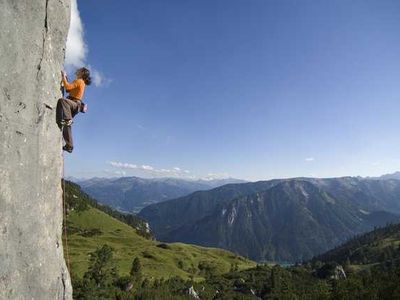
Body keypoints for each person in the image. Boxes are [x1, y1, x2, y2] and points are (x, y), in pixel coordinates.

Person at [56, 67, 91, 153]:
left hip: (74, 104)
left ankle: (70, 144)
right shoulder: (80, 82)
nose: (76, 71)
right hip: (74, 105)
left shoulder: (79, 81)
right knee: (66, 124)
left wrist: (63, 76)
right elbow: (68, 89)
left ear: (82, 73)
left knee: (62, 101)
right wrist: (66, 79)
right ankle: (69, 145)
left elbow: (67, 86)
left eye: (78, 70)